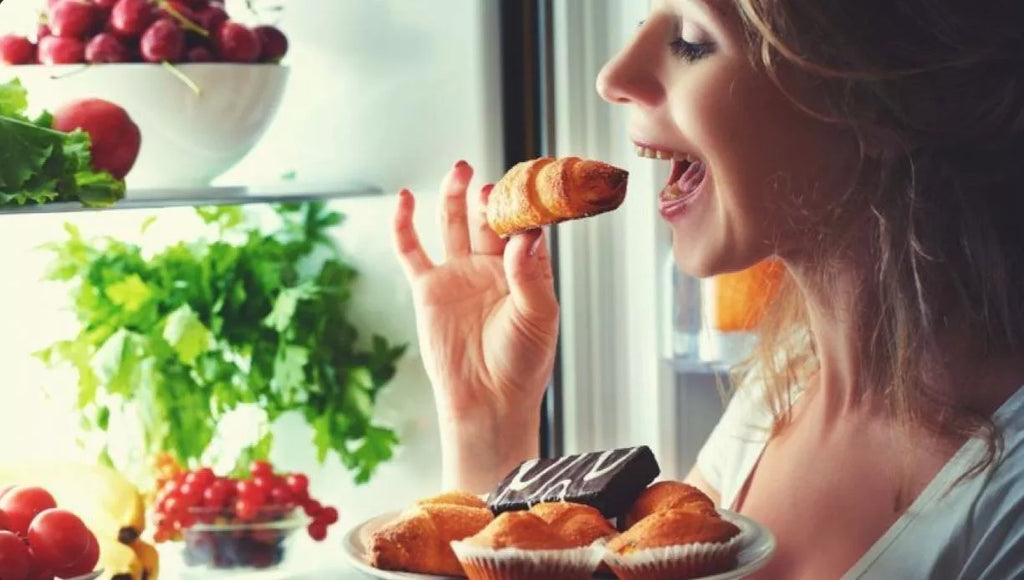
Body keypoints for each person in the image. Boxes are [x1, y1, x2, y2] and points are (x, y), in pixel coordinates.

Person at [392, 0, 1024, 577]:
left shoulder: (1007, 512)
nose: (611, 76)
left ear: (886, 98)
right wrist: (491, 422)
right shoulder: (774, 400)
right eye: (644, 22)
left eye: (692, 40)